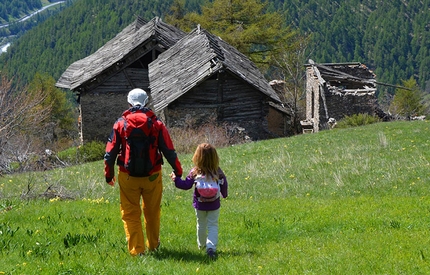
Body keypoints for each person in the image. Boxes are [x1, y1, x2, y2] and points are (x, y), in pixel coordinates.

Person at [104, 88, 183, 256]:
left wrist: (108, 175)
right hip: (152, 175)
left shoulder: (120, 123)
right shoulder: (157, 124)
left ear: (129, 103)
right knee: (152, 211)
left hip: (127, 176)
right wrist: (178, 171)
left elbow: (109, 154)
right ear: (147, 102)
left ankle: (137, 251)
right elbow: (169, 150)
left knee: (131, 213)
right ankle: (153, 245)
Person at [170, 143, 228, 259]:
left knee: (201, 224)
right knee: (213, 225)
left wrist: (175, 179)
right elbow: (224, 184)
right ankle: (211, 247)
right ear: (215, 157)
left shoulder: (195, 172)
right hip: (214, 204)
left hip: (200, 204)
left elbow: (186, 185)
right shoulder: (218, 172)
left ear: (197, 157)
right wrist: (224, 194)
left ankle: (201, 246)